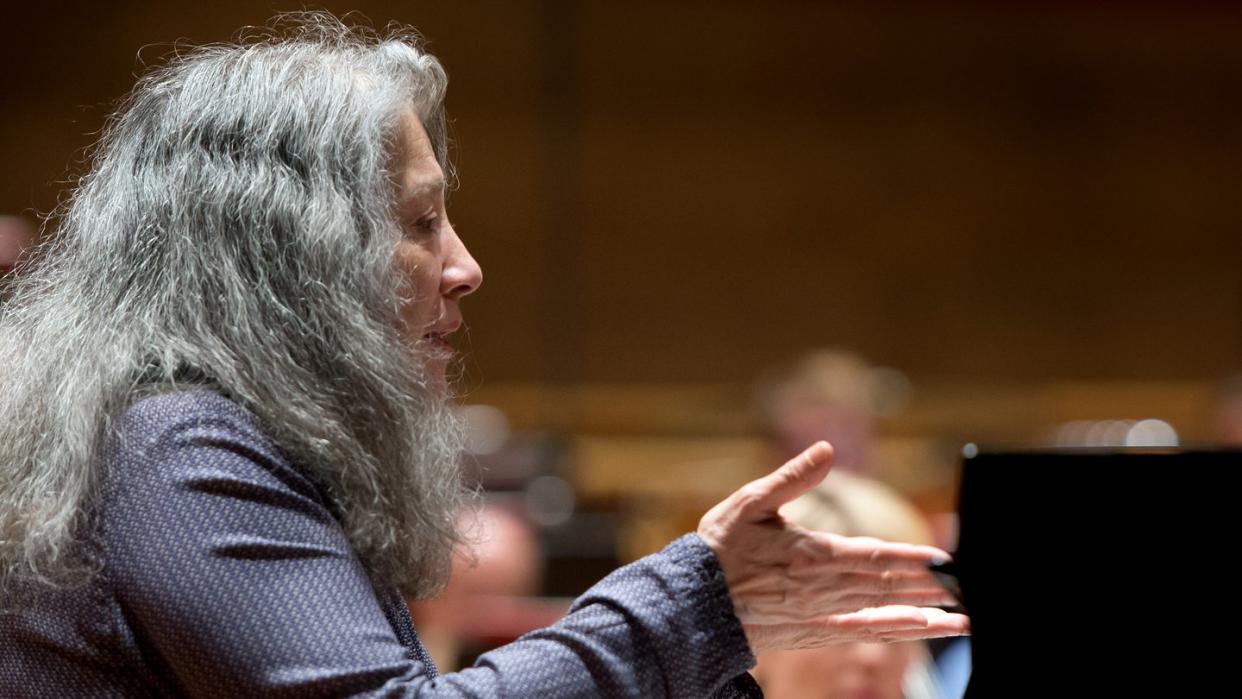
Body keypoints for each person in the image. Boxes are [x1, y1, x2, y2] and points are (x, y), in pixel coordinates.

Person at [0, 14, 966, 697]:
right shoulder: (180, 447)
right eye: (420, 222)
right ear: (286, 255)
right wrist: (694, 597)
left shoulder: (191, 434)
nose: (464, 266)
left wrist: (720, 638)